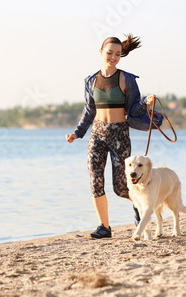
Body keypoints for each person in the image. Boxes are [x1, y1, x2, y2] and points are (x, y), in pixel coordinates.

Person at [66, 34, 161, 239]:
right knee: (95, 180)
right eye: (109, 53)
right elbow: (89, 111)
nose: (113, 57)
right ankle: (104, 227)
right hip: (97, 134)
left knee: (121, 187)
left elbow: (135, 108)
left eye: (118, 54)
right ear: (101, 53)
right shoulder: (90, 80)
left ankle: (141, 209)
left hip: (119, 133)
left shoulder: (126, 79)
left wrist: (147, 102)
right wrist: (77, 133)